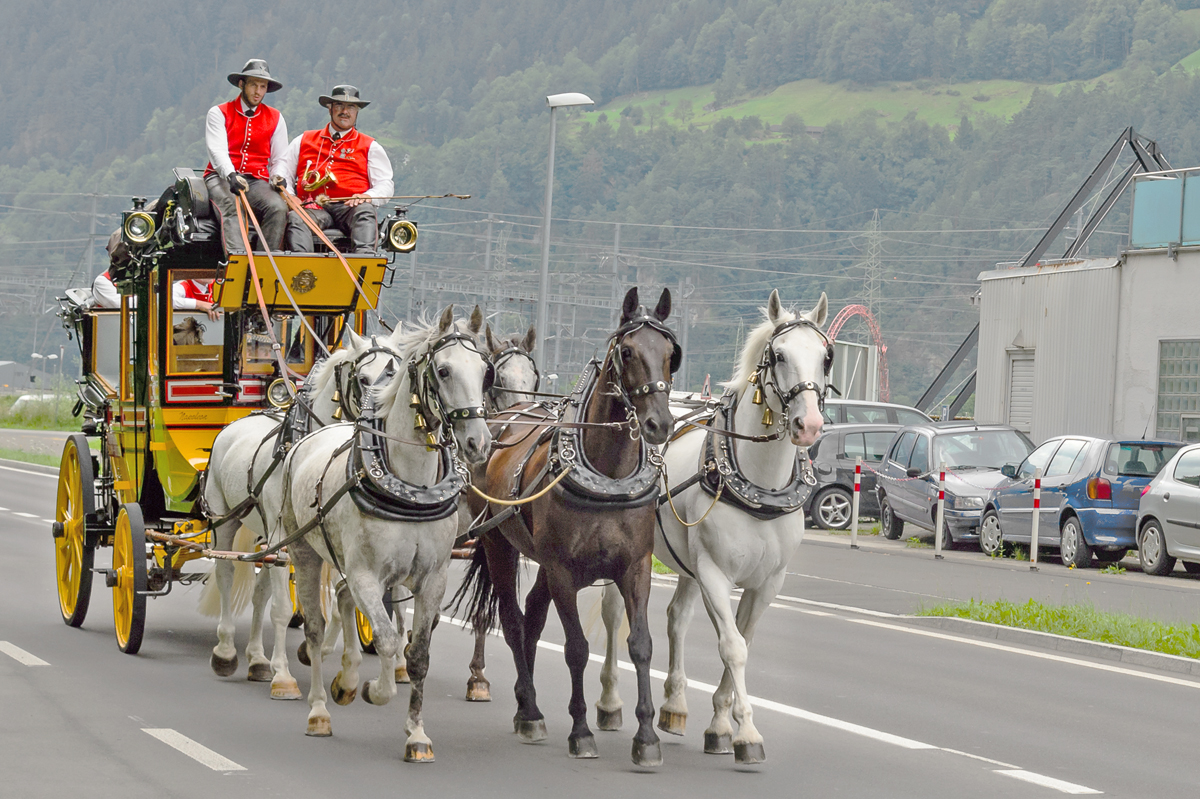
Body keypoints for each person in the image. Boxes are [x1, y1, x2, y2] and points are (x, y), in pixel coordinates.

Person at [277, 85, 394, 253]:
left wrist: (368, 196)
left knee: (365, 211)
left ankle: (365, 264)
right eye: (339, 105)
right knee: (297, 217)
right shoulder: (303, 140)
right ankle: (302, 269)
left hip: (350, 208)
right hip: (312, 207)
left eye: (351, 107)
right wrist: (291, 197)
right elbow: (282, 172)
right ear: (330, 109)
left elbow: (385, 184)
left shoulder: (371, 146)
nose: (344, 111)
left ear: (357, 112)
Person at [204, 59, 289, 253]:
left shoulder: (276, 117)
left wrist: (278, 176)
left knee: (278, 208)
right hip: (221, 177)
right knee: (233, 208)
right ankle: (238, 264)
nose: (258, 92)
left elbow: (280, 158)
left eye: (262, 86)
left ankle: (264, 267)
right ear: (242, 84)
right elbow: (217, 151)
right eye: (253, 85)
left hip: (257, 180)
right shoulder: (218, 113)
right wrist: (231, 175)